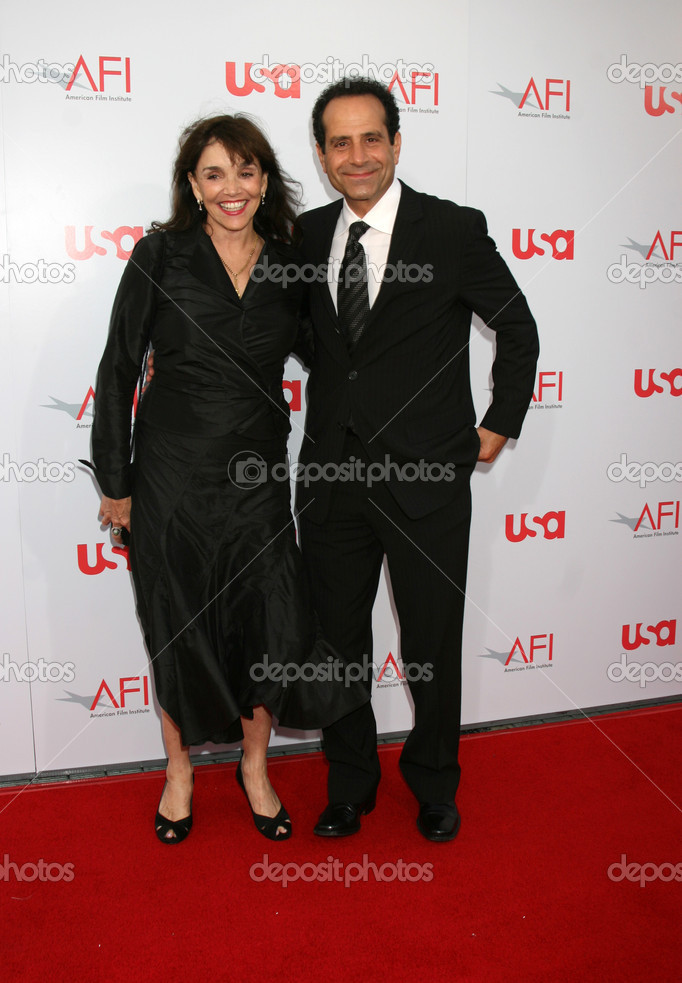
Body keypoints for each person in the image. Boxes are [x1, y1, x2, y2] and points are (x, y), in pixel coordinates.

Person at [89, 114, 362, 844]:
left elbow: (331, 360)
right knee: (177, 626)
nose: (232, 188)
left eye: (245, 171)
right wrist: (117, 484)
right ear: (192, 185)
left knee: (267, 623)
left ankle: (254, 767)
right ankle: (179, 772)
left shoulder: (290, 263)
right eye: (214, 174)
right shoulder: (161, 255)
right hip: (172, 479)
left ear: (265, 179)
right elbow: (118, 370)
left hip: (258, 480)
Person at [293, 78, 540, 841]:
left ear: (397, 142)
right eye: (341, 142)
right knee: (338, 645)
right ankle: (350, 783)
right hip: (332, 478)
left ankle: (434, 781)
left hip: (427, 478)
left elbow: (518, 328)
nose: (358, 155)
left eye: (372, 138)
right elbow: (320, 345)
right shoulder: (302, 237)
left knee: (431, 643)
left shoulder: (452, 230)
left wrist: (496, 425)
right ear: (324, 155)